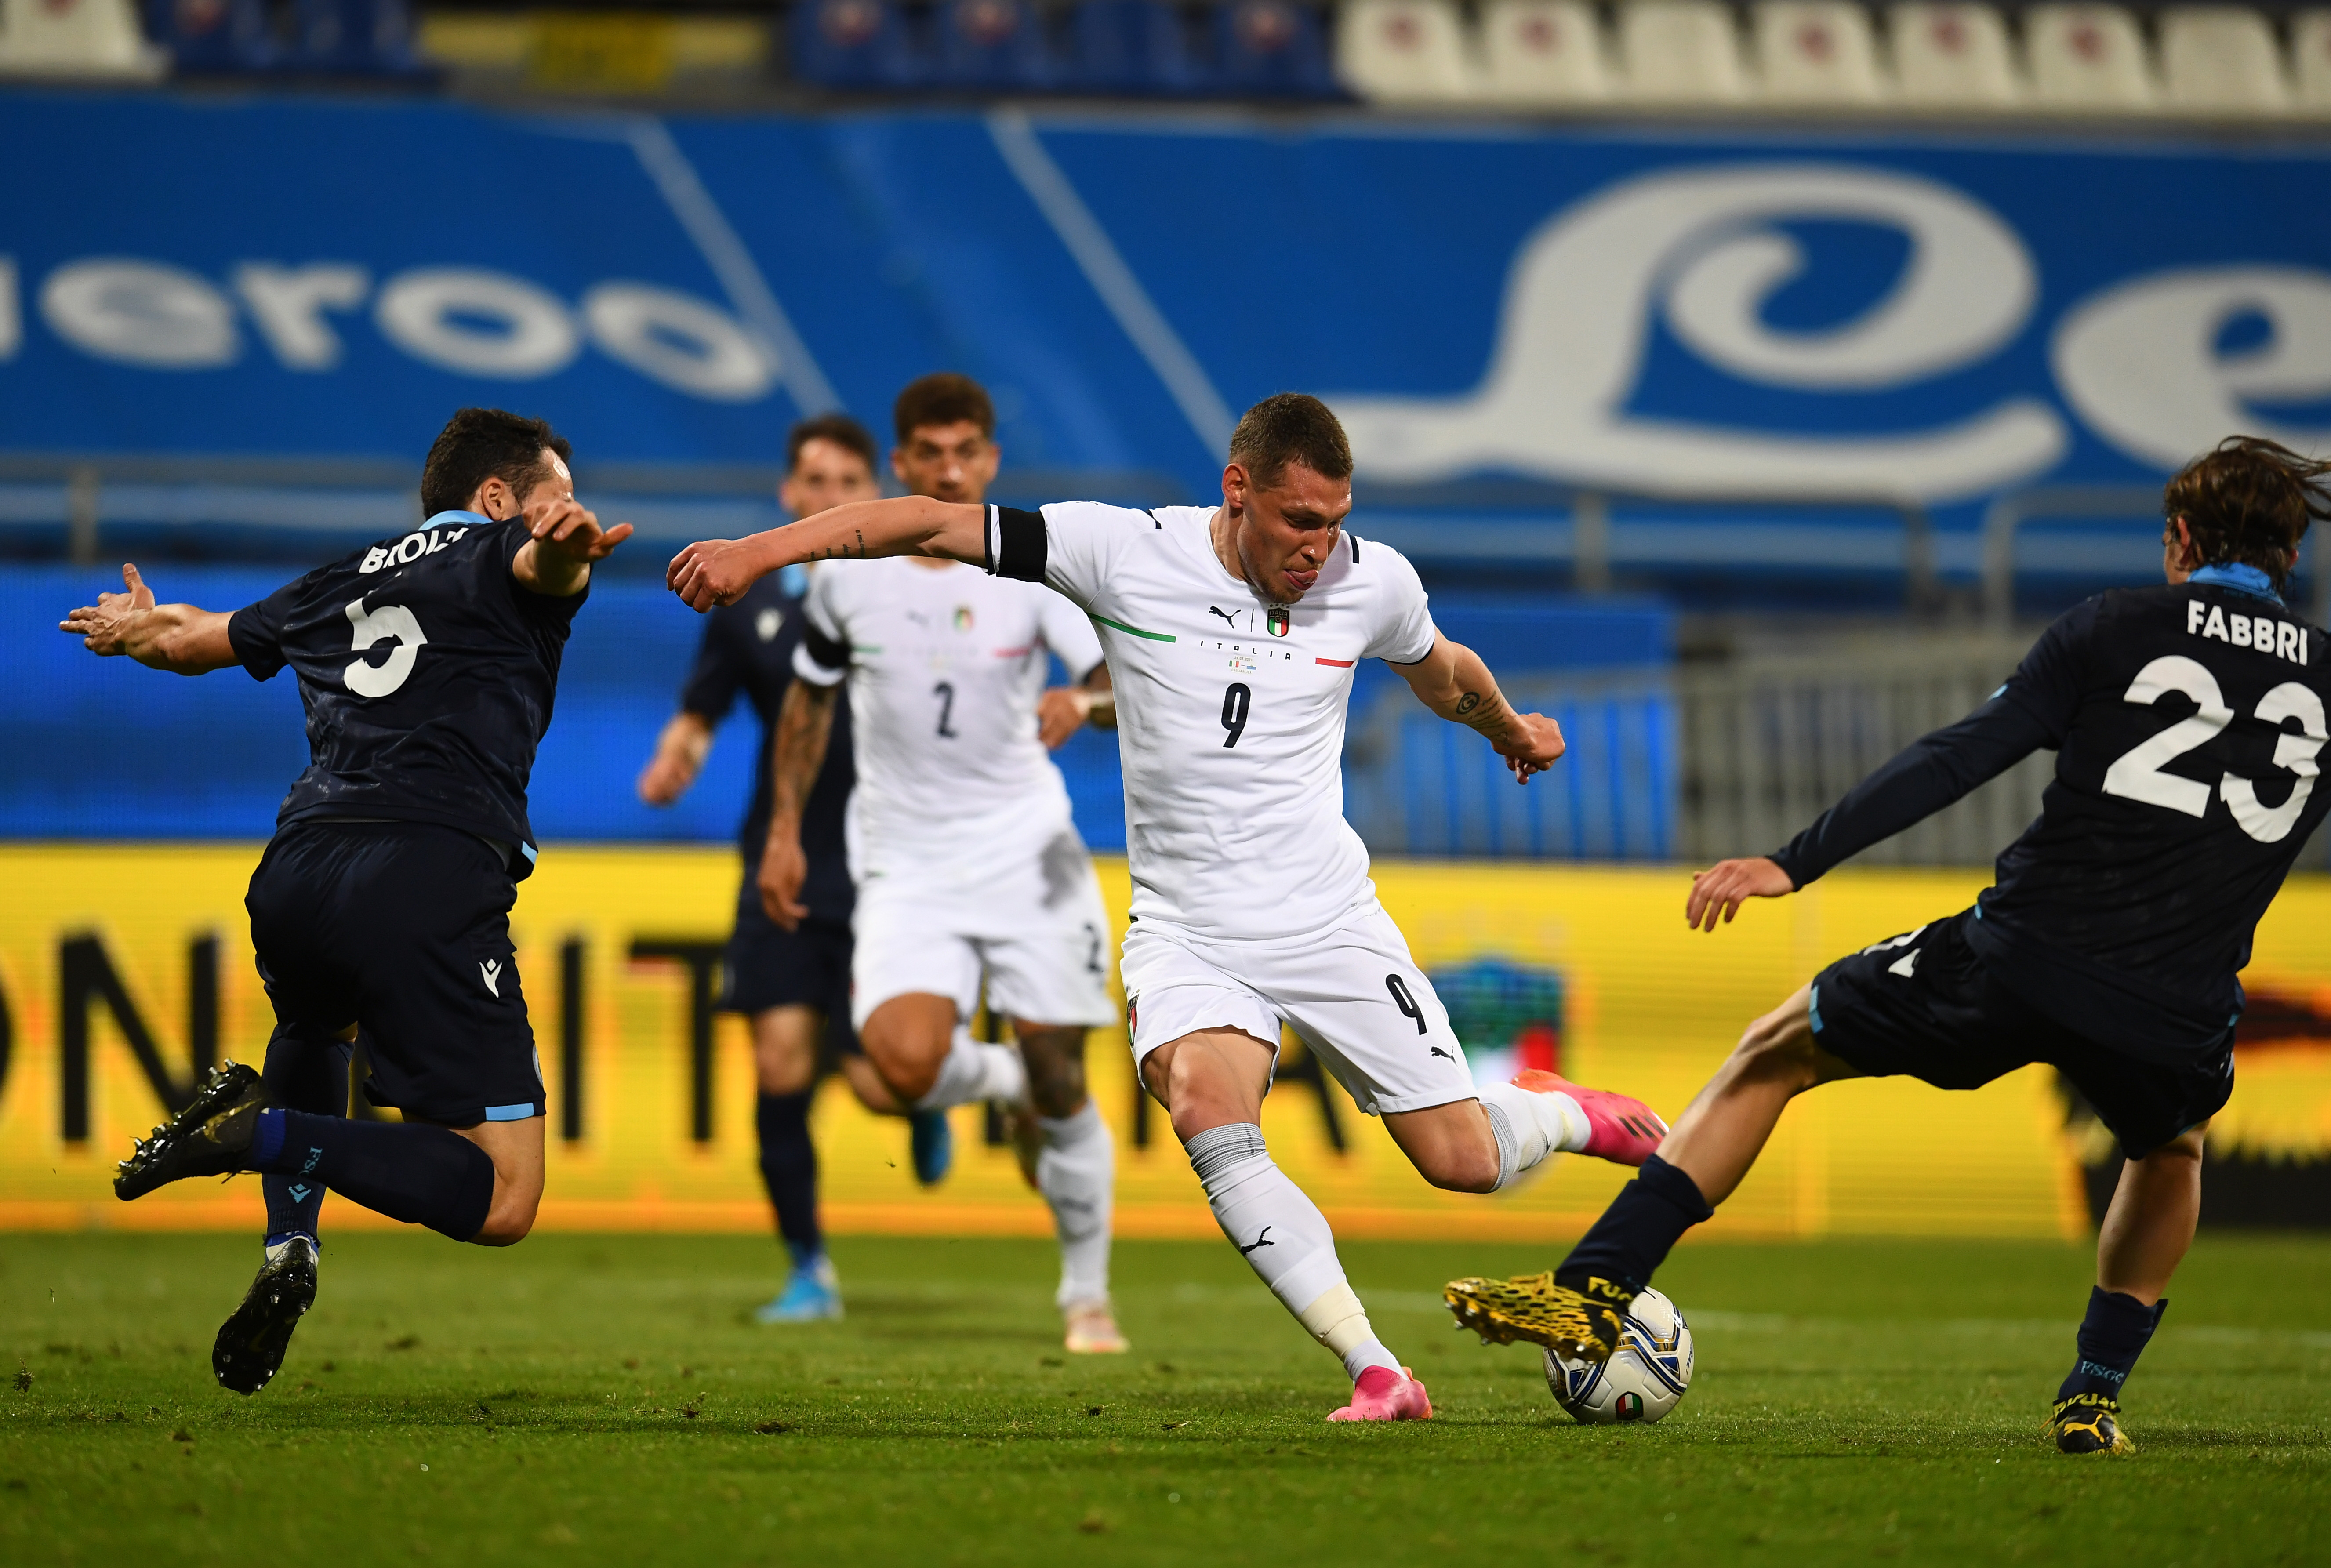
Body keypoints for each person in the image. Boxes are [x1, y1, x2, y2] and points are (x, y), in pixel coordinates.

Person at [670, 391, 1669, 1417]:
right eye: (1300, 521)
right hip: (1190, 932)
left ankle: (1557, 1108)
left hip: (1328, 919)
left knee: (1465, 1160)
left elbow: (1439, 664)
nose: (1322, 547)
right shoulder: (1121, 551)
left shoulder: (1373, 578)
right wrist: (758, 552)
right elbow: (920, 521)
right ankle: (1376, 1366)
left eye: (1336, 521)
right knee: (1205, 1104)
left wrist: (1505, 726)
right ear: (1238, 491)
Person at [1444, 436, 2331, 1456]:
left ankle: (1594, 1287)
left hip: (2023, 955)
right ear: (2291, 554)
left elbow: (1960, 758)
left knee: (1777, 1049)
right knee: (2170, 1148)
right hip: (2174, 1006)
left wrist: (1797, 859)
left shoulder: (2112, 627)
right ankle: (2091, 1393)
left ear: (2180, 538)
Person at [62, 407, 629, 1394]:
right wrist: (565, 547)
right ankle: (260, 1130)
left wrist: (129, 630)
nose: (568, 514)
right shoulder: (513, 552)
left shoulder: (343, 578)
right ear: (497, 500)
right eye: (556, 495)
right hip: (427, 869)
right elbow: (546, 570)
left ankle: (291, 1245)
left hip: (296, 873)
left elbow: (195, 639)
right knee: (503, 1193)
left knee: (316, 1023)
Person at [761, 374, 1130, 1355]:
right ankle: (1003, 1080)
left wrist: (1081, 704)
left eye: (969, 451)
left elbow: (1113, 671)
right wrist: (788, 830)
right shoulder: (849, 569)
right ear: (903, 463)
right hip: (906, 860)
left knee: (1064, 1081)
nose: (952, 469)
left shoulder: (1028, 566)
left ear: (993, 459)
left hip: (1025, 848)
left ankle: (1087, 1297)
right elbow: (808, 701)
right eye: (932, 454)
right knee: (900, 1064)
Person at [638, 412, 940, 1326]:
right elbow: (702, 709)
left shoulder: (915, 592)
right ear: (790, 493)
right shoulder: (754, 604)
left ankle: (929, 1099)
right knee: (777, 1063)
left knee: (881, 1079)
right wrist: (677, 754)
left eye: (850, 478)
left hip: (892, 858)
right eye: (816, 478)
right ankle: (810, 1265)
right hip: (786, 856)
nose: (831, 493)